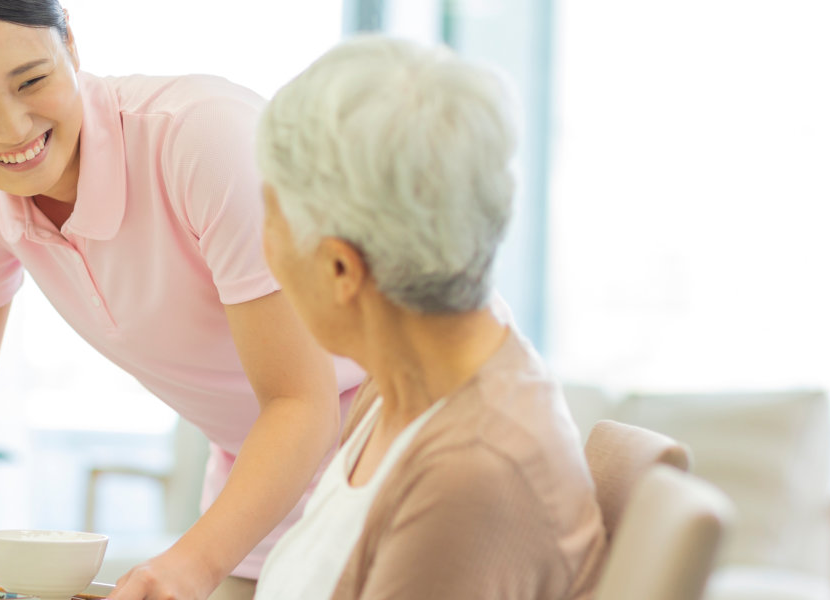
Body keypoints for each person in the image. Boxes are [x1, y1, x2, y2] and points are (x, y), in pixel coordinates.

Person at [0, 1, 365, 599]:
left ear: (71, 46)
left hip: (386, 437)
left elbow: (301, 402)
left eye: (32, 80)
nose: (14, 129)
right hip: (259, 474)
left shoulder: (202, 137)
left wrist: (193, 563)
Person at [251, 37, 607, 599]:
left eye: (268, 215)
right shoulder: (399, 387)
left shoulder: (473, 477)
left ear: (341, 268)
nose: (261, 245)